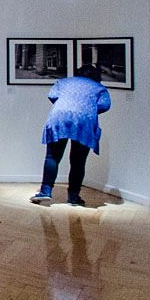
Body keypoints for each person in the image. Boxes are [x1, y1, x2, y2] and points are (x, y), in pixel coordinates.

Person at [30, 65, 111, 206]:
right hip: (84, 120)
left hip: (59, 116)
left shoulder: (63, 82)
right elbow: (105, 105)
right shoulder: (99, 88)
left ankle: (45, 192)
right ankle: (73, 197)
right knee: (78, 161)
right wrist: (88, 108)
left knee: (52, 156)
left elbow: (52, 95)